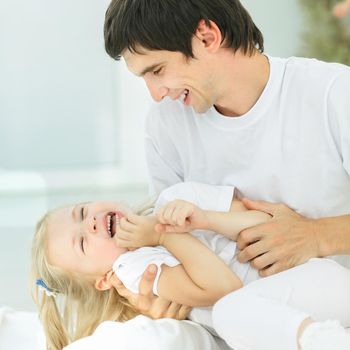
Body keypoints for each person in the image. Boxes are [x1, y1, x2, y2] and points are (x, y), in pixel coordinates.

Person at [104, 0, 350, 287]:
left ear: (207, 37)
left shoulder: (333, 94)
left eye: (157, 70)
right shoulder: (166, 123)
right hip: (232, 317)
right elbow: (169, 238)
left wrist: (316, 236)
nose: (156, 94)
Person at [32, 182, 350, 350]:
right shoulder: (137, 270)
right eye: (83, 243)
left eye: (82, 212)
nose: (91, 224)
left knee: (230, 314)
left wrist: (207, 219)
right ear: (104, 280)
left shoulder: (176, 198)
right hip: (300, 312)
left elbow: (270, 225)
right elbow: (224, 288)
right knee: (229, 313)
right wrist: (162, 232)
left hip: (317, 280)